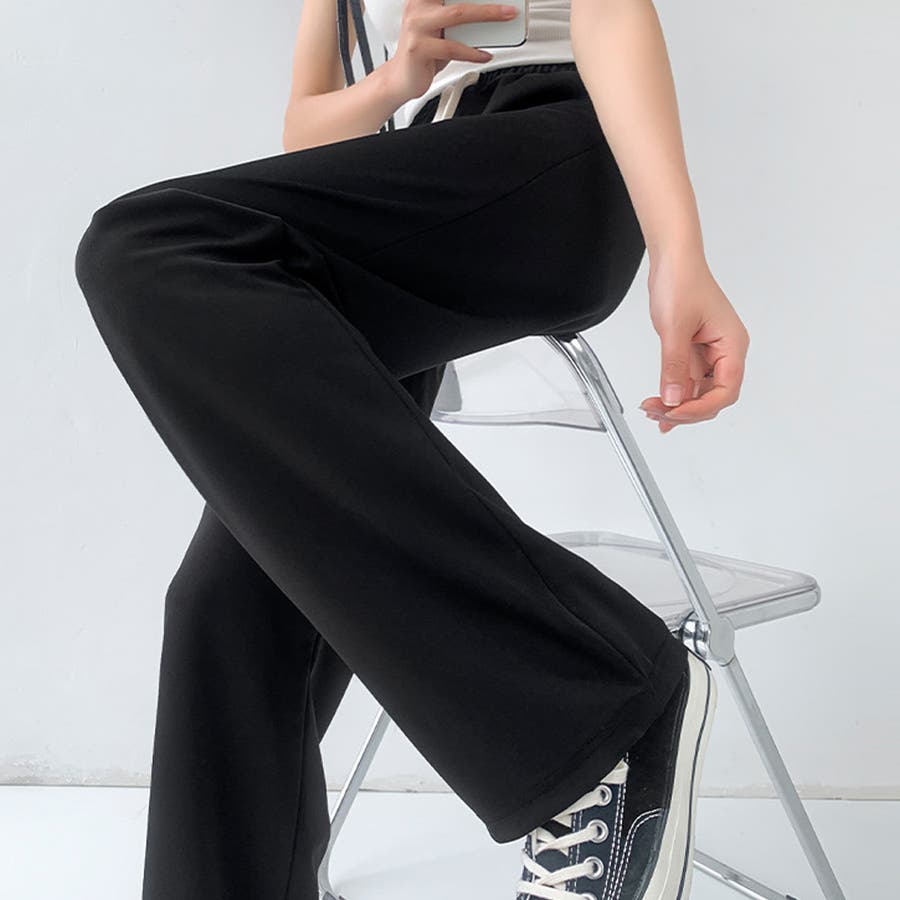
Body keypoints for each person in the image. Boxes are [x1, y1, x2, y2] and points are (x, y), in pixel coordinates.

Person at [73, 0, 750, 897]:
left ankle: (601, 710)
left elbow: (611, 12)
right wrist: (398, 80)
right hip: (416, 185)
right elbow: (305, 127)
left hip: (551, 152)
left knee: (152, 244)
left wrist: (678, 251)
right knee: (228, 602)